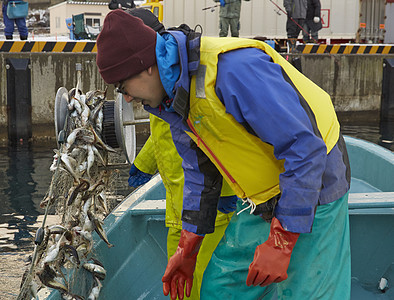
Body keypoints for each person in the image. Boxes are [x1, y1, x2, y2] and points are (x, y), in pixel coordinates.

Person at [96, 10, 351, 300]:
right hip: (264, 194)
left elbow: (305, 149)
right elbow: (199, 172)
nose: (126, 98)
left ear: (147, 67)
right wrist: (187, 249)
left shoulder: (233, 71)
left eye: (122, 86)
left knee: (308, 292)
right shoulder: (173, 100)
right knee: (221, 288)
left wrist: (281, 243)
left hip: (315, 183)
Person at [126, 8, 236, 299]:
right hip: (180, 203)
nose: (126, 95)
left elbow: (211, 144)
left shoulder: (179, 88)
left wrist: (223, 197)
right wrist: (143, 164)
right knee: (186, 279)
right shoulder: (162, 87)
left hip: (201, 207)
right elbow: (161, 134)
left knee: (194, 280)